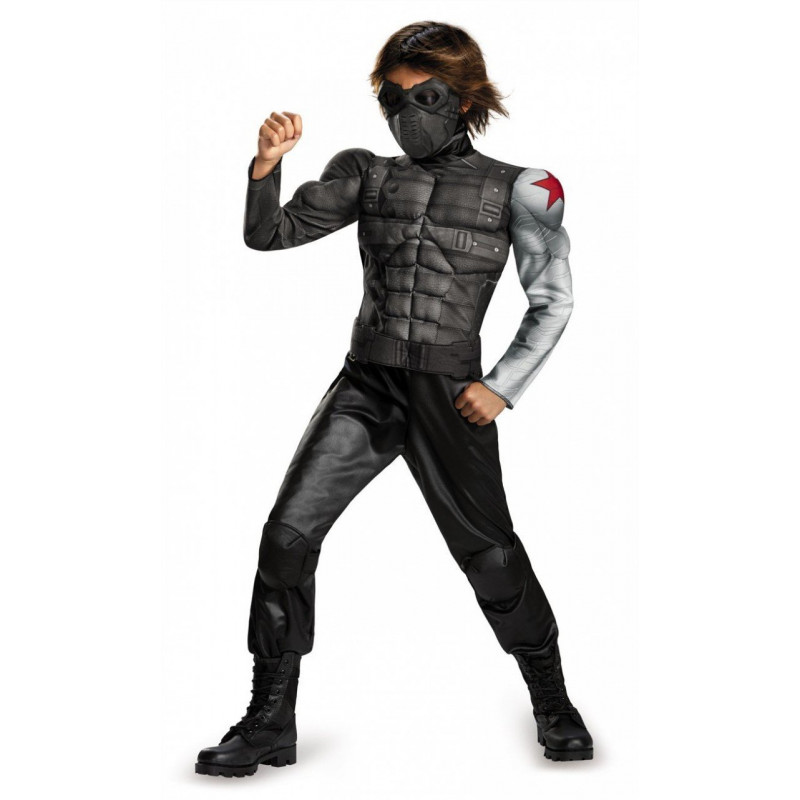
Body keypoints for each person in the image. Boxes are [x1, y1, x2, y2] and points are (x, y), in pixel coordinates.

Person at [195, 20, 593, 778]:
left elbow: (553, 300)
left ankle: (553, 701)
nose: (407, 111)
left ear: (464, 97)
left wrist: (500, 387)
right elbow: (269, 234)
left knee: (490, 555)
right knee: (286, 538)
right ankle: (270, 719)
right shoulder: (366, 174)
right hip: (368, 384)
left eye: (425, 94)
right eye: (392, 96)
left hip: (452, 392)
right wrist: (266, 166)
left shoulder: (524, 187)